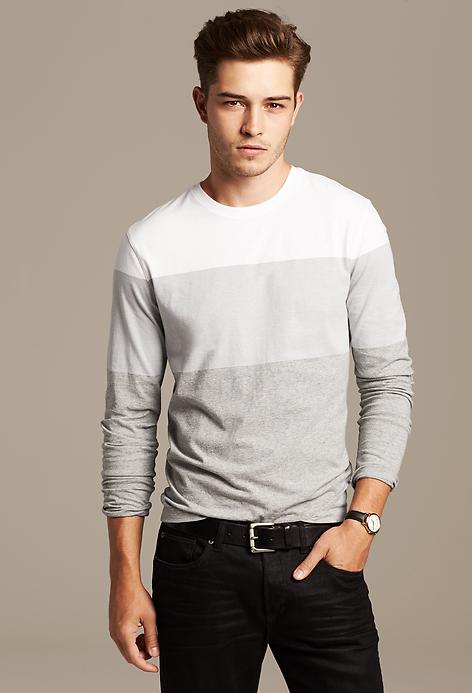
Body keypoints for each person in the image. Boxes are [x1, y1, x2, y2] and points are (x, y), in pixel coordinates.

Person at [100, 8, 415, 693]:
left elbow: (389, 382)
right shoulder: (152, 244)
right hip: (199, 559)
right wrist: (124, 576)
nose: (253, 125)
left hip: (322, 548)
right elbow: (129, 417)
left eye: (273, 104)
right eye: (233, 102)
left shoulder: (349, 221)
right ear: (201, 103)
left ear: (297, 105)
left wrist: (363, 521)